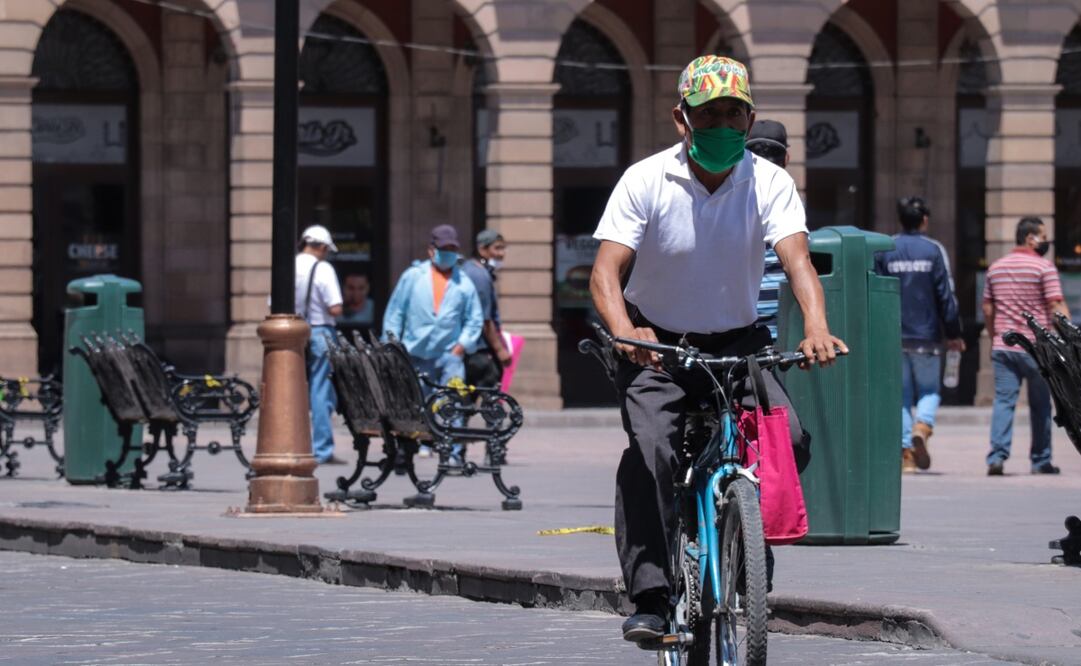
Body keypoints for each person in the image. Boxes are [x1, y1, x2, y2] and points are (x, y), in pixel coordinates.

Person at [589, 55, 846, 642]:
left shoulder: (770, 180)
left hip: (739, 341)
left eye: (734, 114)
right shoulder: (645, 179)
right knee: (651, 448)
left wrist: (815, 324)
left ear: (750, 117)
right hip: (657, 344)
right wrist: (628, 330)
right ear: (682, 119)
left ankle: (743, 542)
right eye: (709, 115)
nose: (723, 126)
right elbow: (606, 273)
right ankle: (652, 595)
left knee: (791, 439)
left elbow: (797, 259)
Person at [874, 197, 964, 473]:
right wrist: (954, 332)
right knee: (929, 390)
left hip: (895, 335)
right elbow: (945, 294)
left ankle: (906, 454)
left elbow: (877, 292)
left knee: (901, 395)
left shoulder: (886, 248)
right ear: (924, 220)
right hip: (927, 337)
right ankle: (922, 426)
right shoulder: (933, 250)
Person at [383, 225, 483, 459]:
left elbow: (474, 319)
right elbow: (396, 312)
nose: (448, 253)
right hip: (415, 352)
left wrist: (461, 346)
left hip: (449, 355)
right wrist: (393, 344)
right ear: (431, 250)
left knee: (453, 402)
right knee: (418, 401)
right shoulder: (413, 276)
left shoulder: (463, 282)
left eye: (452, 249)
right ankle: (421, 444)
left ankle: (454, 452)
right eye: (443, 248)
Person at [982, 217, 1070, 476]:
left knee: (1004, 401)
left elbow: (987, 307)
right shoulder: (1044, 267)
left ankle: (996, 457)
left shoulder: (996, 267)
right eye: (1042, 236)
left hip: (1003, 346)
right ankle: (1041, 460)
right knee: (1042, 404)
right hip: (1036, 348)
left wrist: (995, 334)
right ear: (1031, 238)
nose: (1045, 241)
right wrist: (1067, 337)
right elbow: (1055, 306)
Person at [294, 224, 344, 465]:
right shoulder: (323, 269)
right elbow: (335, 307)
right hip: (320, 330)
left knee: (292, 389)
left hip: (293, 332)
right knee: (321, 390)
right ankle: (321, 448)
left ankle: (293, 443)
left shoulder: (289, 265)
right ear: (322, 247)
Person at [746, 119, 790, 341]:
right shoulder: (790, 200)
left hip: (733, 333)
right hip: (782, 333)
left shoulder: (731, 197)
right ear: (787, 159)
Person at [461, 229, 513, 388]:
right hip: (479, 350)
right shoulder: (480, 276)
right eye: (497, 248)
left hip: (470, 348)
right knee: (490, 397)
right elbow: (485, 319)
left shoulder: (469, 269)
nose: (502, 254)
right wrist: (499, 350)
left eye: (503, 248)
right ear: (482, 249)